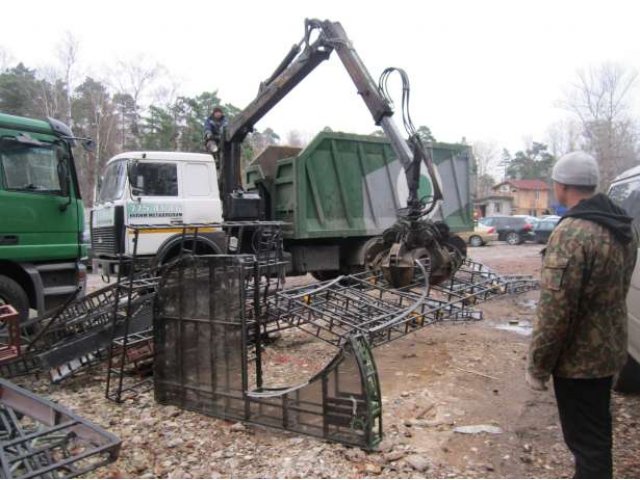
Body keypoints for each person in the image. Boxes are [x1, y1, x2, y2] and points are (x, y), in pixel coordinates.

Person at [526, 151, 638, 479]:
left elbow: (555, 311)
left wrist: (539, 365)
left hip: (578, 362)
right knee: (596, 435)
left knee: (586, 442)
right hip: (609, 353)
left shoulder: (572, 232)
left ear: (562, 187)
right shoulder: (623, 226)